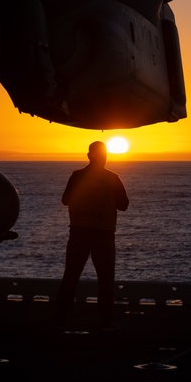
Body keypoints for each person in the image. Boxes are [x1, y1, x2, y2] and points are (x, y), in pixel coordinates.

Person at [53, 141, 129, 329]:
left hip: (79, 232)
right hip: (103, 234)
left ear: (89, 156)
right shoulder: (112, 178)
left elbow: (65, 200)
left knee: (71, 276)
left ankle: (60, 319)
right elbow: (124, 205)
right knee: (105, 280)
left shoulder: (77, 176)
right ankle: (106, 321)